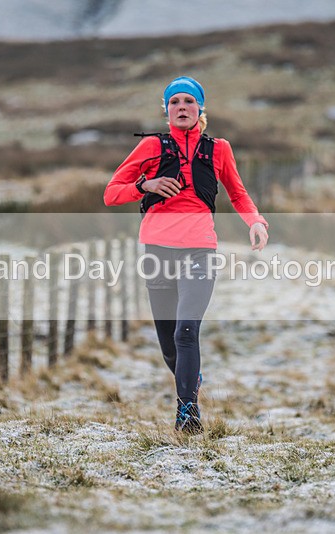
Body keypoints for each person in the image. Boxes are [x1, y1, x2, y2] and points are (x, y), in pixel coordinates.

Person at [104, 76, 269, 433]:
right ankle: (191, 379)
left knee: (185, 333)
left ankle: (187, 414)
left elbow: (238, 194)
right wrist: (144, 185)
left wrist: (255, 222)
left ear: (199, 109)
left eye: (188, 102)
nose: (182, 107)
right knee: (169, 347)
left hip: (200, 250)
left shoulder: (219, 149)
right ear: (166, 111)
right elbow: (111, 193)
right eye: (175, 102)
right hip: (158, 251)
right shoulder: (150, 147)